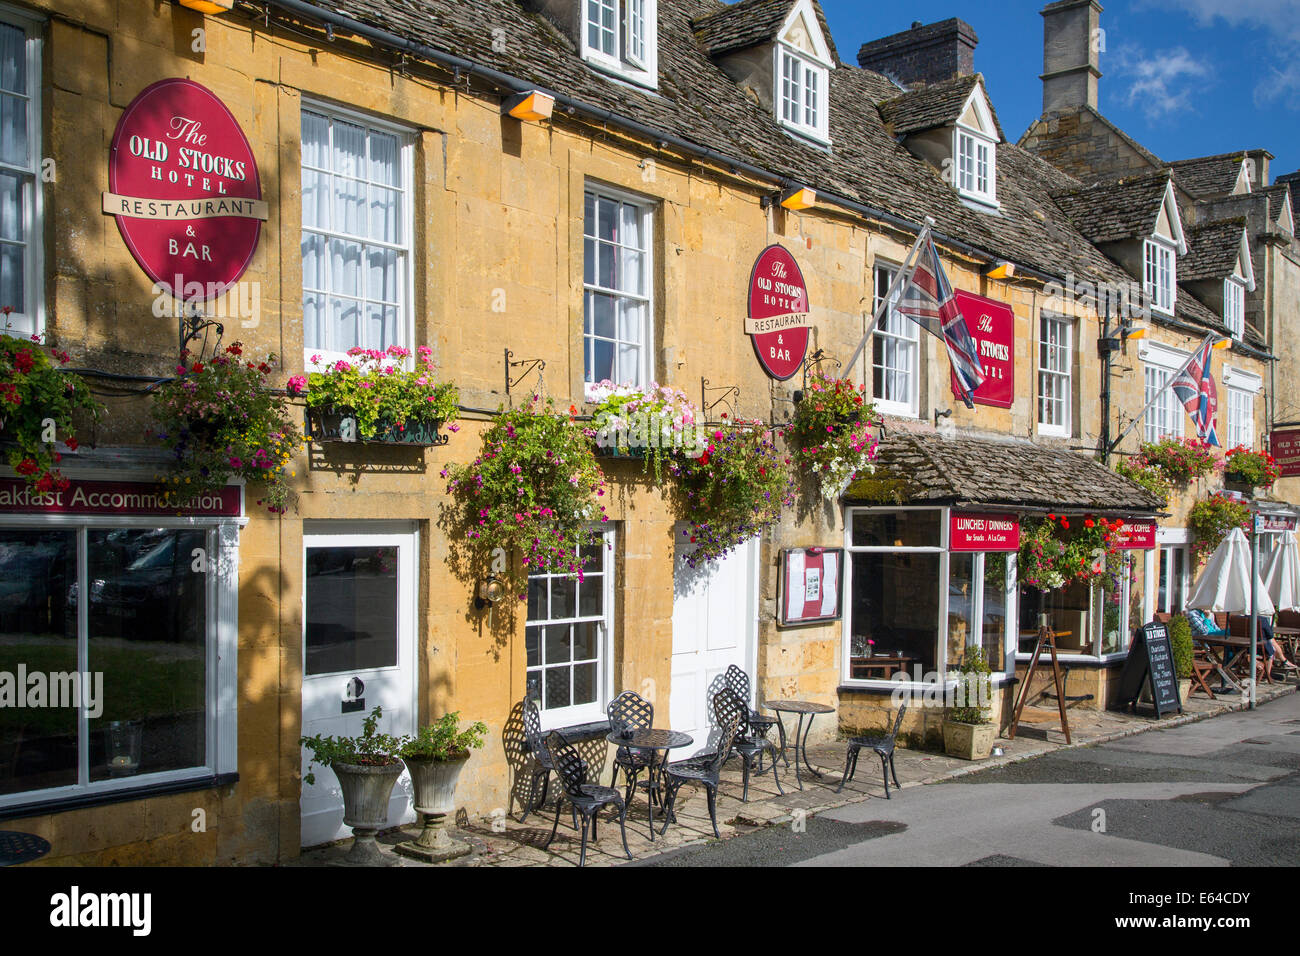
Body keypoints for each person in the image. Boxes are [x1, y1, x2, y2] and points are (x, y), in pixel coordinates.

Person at [1185, 608, 1295, 683]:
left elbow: (1216, 629)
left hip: (1216, 640)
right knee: (1266, 642)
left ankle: (1263, 668)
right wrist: (1207, 619)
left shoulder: (1204, 614)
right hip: (1203, 642)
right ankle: (1268, 668)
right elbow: (1204, 631)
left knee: (1263, 642)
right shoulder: (1192, 614)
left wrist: (1207, 617)